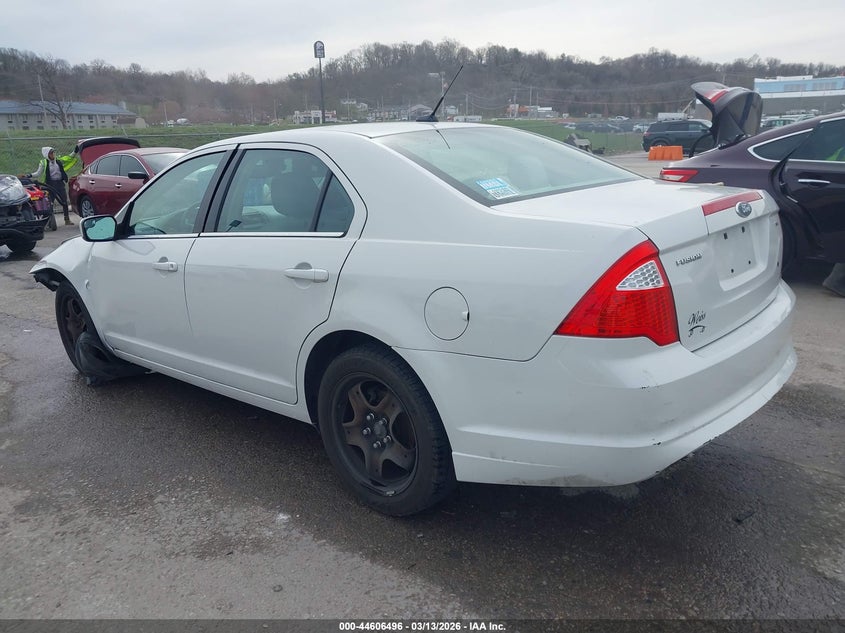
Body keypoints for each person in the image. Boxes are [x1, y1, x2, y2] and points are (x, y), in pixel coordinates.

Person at [25, 146, 80, 226]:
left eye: (53, 152)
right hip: (50, 185)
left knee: (64, 201)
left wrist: (75, 151)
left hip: (60, 183)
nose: (53, 154)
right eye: (51, 153)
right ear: (46, 154)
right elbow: (38, 173)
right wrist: (28, 175)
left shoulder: (58, 160)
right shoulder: (43, 162)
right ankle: (49, 220)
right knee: (50, 203)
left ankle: (67, 219)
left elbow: (69, 157)